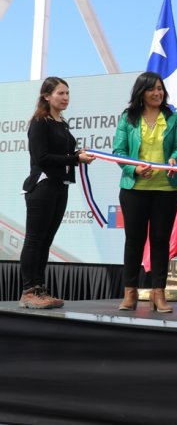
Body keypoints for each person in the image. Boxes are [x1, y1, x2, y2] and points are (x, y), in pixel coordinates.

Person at [19, 77, 94, 309]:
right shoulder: (40, 122)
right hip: (42, 186)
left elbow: (65, 154)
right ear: (46, 96)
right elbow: (41, 158)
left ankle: (40, 288)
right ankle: (29, 290)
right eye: (60, 93)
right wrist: (74, 158)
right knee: (34, 240)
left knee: (45, 241)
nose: (65, 98)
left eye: (67, 93)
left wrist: (78, 154)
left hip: (60, 186)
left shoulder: (61, 123)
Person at [113, 71, 177, 313]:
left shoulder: (173, 117)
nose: (157, 93)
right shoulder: (128, 118)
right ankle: (130, 293)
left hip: (166, 189)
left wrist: (175, 159)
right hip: (134, 189)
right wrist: (134, 167)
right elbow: (118, 152)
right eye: (152, 89)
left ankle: (158, 294)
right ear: (141, 92)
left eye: (160, 88)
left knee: (161, 242)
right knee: (134, 241)